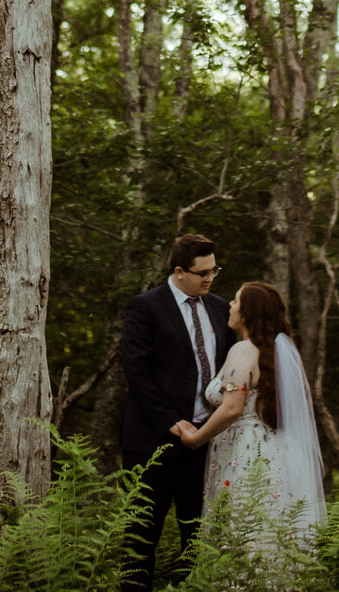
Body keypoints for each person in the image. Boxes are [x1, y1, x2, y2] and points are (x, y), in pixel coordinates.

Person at [170, 280, 328, 555]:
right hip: (273, 450)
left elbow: (232, 407)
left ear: (247, 313)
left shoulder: (243, 351)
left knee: (242, 529)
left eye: (235, 301)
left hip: (245, 454)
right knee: (267, 528)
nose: (229, 306)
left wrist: (196, 439)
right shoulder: (277, 353)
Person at [118, 233, 232, 592]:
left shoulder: (220, 307)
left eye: (214, 270)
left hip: (204, 442)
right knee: (141, 534)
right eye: (203, 273)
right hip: (152, 441)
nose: (210, 278)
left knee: (196, 536)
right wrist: (169, 421)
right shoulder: (147, 306)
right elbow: (136, 370)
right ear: (180, 271)